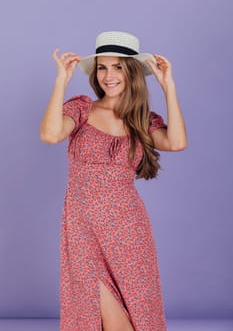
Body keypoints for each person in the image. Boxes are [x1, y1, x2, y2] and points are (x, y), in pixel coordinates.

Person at [40, 31, 187, 331]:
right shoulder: (81, 110)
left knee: (137, 316)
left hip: (128, 232)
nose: (108, 76)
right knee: (97, 312)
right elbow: (50, 134)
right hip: (82, 228)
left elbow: (176, 142)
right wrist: (61, 81)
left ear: (131, 72)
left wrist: (168, 86)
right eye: (103, 67)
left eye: (118, 66)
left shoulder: (142, 120)